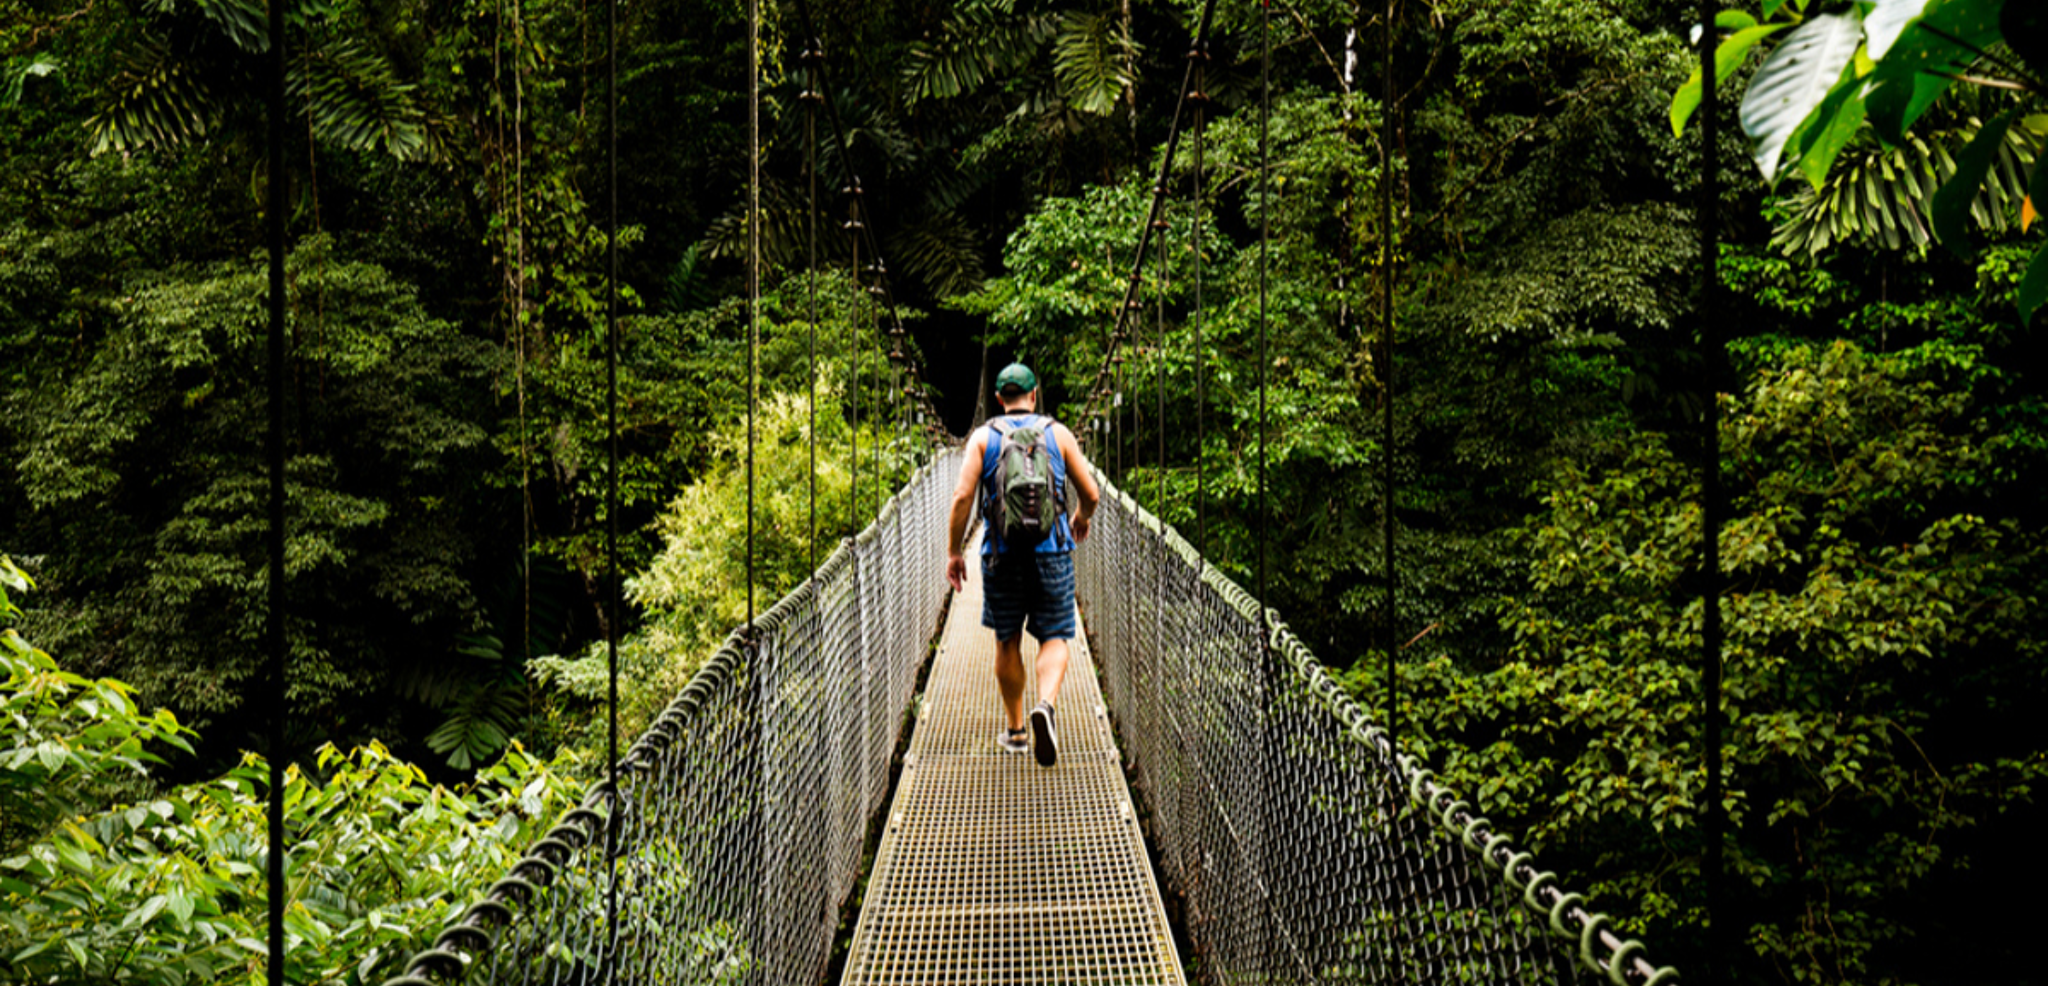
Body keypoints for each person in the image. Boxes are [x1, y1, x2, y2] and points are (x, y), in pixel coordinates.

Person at [946, 362, 1101, 767]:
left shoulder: (983, 438)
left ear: (998, 400)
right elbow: (1092, 494)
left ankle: (1016, 731)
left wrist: (954, 551)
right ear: (1034, 395)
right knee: (1055, 636)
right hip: (1052, 553)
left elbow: (963, 498)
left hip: (1001, 554)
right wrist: (1080, 517)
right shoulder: (1059, 434)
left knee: (1006, 639)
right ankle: (1045, 705)